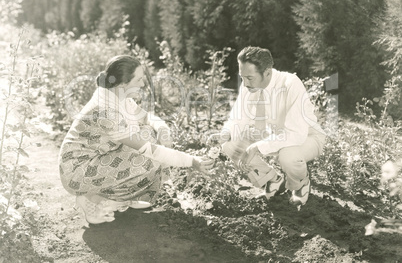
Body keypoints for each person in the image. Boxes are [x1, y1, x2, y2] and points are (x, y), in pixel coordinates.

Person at [59, 55, 213, 224]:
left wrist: (162, 129)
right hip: (77, 170)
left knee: (149, 134)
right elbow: (149, 150)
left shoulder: (119, 97)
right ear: (124, 82)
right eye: (138, 80)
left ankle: (118, 197)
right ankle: (92, 199)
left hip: (98, 159)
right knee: (149, 156)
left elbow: (148, 118)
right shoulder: (106, 111)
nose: (142, 84)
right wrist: (193, 161)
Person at [208, 46, 326, 205]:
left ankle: (300, 184)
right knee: (230, 144)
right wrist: (225, 134)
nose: (245, 83)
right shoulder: (249, 85)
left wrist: (257, 147)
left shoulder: (290, 84)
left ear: (268, 73)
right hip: (273, 135)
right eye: (242, 77)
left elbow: (296, 134)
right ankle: (272, 181)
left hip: (306, 138)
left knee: (288, 156)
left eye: (249, 78)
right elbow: (238, 118)